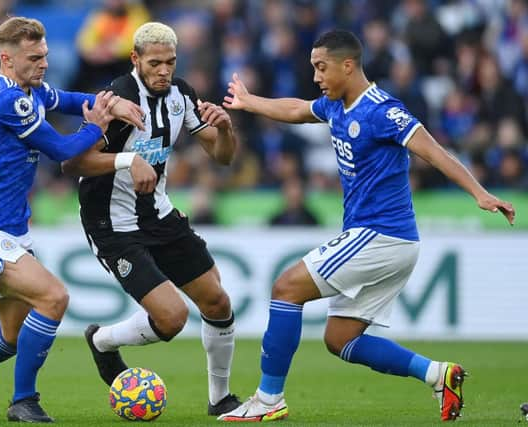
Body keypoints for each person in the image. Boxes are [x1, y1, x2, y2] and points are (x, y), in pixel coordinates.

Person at [218, 29, 515, 422]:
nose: (316, 77)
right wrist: (250, 102)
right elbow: (297, 109)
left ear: (348, 65)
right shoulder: (336, 106)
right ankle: (438, 375)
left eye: (321, 68)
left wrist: (479, 193)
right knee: (339, 339)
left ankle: (268, 398)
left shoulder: (381, 110)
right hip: (389, 240)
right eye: (313, 68)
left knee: (286, 288)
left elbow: (433, 150)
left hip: (381, 234)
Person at [0, 16, 144, 423]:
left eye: (45, 55)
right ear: (7, 58)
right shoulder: (8, 101)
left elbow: (70, 100)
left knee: (14, 334)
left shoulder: (30, 90)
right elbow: (61, 150)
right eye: (34, 57)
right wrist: (97, 127)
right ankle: (24, 401)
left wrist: (109, 99)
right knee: (54, 298)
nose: (43, 63)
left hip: (11, 231)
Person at [61, 22, 242, 416]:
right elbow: (72, 161)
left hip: (159, 214)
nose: (164, 70)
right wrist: (128, 159)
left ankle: (221, 399)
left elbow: (223, 156)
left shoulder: (181, 94)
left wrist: (226, 131)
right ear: (135, 59)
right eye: (155, 63)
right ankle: (103, 340)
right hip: (112, 224)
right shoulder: (116, 99)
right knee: (172, 318)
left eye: (170, 62)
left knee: (217, 299)